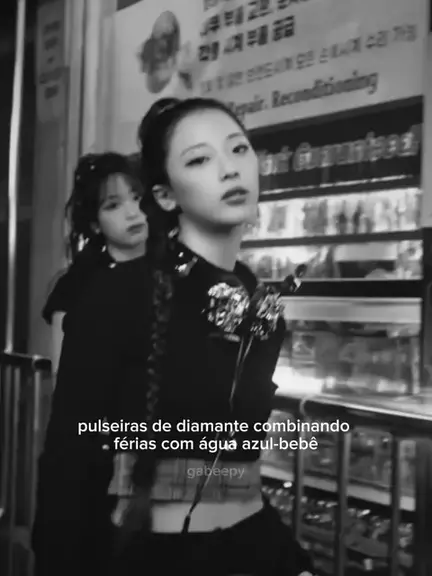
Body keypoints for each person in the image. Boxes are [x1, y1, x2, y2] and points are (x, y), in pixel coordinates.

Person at [32, 98, 314, 576]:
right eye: (199, 159)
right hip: (153, 554)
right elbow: (69, 462)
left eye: (238, 149)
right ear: (165, 196)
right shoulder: (118, 296)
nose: (229, 169)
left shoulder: (257, 301)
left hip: (252, 545)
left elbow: (237, 470)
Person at [41, 152, 148, 374]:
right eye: (113, 205)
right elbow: (64, 377)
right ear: (95, 224)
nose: (132, 213)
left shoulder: (177, 270)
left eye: (137, 198)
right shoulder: (76, 287)